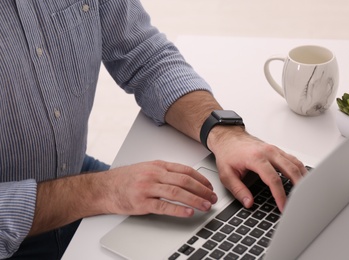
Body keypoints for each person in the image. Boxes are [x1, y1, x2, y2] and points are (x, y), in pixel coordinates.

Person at [0, 0, 307, 259]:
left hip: (74, 174)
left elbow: (144, 55)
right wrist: (101, 190)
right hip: (18, 234)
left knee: (227, 226)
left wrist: (224, 133)